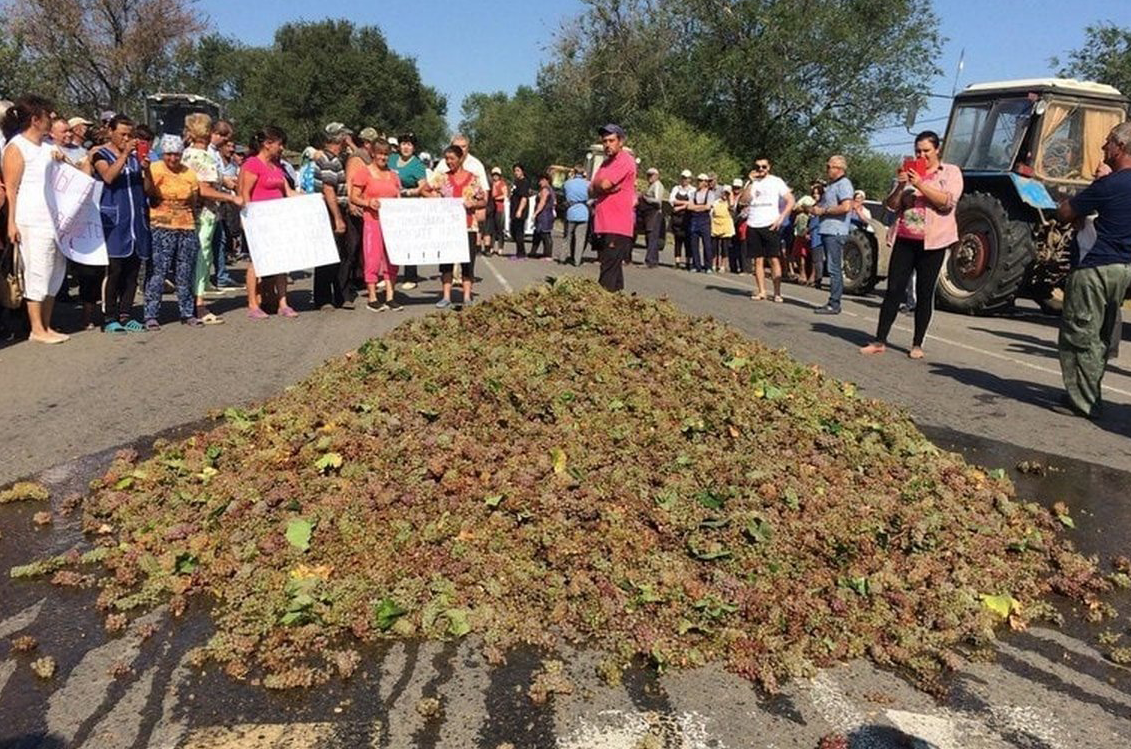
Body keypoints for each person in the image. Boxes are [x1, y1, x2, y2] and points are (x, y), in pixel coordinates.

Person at [860, 131, 963, 360]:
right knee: (893, 289)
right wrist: (900, 186)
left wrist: (921, 185)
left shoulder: (950, 173)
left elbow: (947, 202)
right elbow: (891, 206)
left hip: (933, 242)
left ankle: (917, 344)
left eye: (926, 151)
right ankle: (879, 340)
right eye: (918, 151)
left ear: (937, 150)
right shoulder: (908, 172)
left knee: (925, 293)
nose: (921, 155)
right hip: (905, 238)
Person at [1052, 121, 1131, 418]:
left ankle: (1083, 402)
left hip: (1094, 267)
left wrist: (1069, 201)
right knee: (1100, 335)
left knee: (1079, 332)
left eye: (1108, 142)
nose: (1103, 147)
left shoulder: (1108, 185)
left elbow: (1065, 213)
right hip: (1124, 269)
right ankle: (1090, 391)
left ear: (1120, 147)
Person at [2, 95, 71, 343]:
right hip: (30, 218)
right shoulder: (16, 146)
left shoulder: (49, 148)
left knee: (55, 271)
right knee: (37, 270)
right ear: (35, 119)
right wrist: (11, 222)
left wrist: (64, 159)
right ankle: (36, 328)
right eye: (47, 117)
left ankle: (47, 324)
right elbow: (11, 188)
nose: (51, 121)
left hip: (54, 219)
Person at [91, 114, 152, 332]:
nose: (127, 139)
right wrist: (125, 154)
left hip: (136, 222)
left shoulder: (136, 158)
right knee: (114, 270)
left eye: (130, 135)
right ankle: (109, 317)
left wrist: (146, 169)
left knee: (133, 271)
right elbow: (108, 176)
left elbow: (147, 189)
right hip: (114, 221)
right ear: (111, 132)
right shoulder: (100, 154)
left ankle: (126, 314)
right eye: (122, 134)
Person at [182, 113, 239, 323]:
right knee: (202, 256)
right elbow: (204, 189)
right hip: (204, 214)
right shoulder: (202, 156)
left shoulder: (186, 153)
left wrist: (224, 181)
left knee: (194, 255)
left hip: (193, 213)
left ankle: (191, 301)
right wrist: (230, 197)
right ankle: (199, 306)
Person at [143, 135, 203, 329]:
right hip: (161, 226)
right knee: (158, 272)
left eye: (177, 155)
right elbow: (149, 192)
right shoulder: (155, 169)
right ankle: (151, 314)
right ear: (163, 154)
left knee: (185, 271)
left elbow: (194, 200)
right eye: (169, 154)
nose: (173, 159)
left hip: (186, 225)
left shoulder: (189, 174)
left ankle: (187, 312)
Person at [239, 126, 298, 319]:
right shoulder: (252, 164)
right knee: (256, 262)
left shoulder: (277, 167)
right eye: (280, 144)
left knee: (281, 262)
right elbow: (245, 194)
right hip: (259, 220)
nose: (282, 148)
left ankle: (283, 303)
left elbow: (289, 192)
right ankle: (253, 304)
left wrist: (313, 199)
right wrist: (248, 219)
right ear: (268, 144)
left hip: (278, 220)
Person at [422, 144, 486, 307]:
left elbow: (484, 199)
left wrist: (474, 203)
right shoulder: (442, 177)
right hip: (447, 227)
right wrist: (435, 199)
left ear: (460, 158)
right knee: (447, 263)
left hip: (468, 225)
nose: (449, 162)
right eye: (447, 159)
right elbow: (424, 189)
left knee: (467, 262)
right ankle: (446, 296)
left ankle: (466, 296)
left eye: (452, 159)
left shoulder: (473, 178)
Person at [349, 138, 403, 312]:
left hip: (392, 223)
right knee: (372, 257)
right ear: (373, 153)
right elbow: (354, 196)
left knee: (392, 259)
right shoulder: (364, 172)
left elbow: (398, 197)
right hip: (373, 221)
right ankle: (372, 296)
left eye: (386, 154)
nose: (383, 157)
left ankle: (390, 296)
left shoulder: (393, 175)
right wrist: (368, 202)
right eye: (380, 153)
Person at [588, 123, 637, 292]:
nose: (607, 144)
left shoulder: (625, 161)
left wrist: (601, 185)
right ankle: (618, 306)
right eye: (604, 141)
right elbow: (592, 188)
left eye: (611, 140)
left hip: (617, 225)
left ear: (621, 141)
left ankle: (602, 307)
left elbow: (605, 183)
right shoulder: (605, 163)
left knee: (607, 273)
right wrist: (600, 186)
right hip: (603, 223)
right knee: (613, 271)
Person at [313, 122, 351, 309]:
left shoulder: (331, 158)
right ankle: (324, 298)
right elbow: (329, 189)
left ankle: (336, 295)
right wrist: (337, 217)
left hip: (332, 209)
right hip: (329, 211)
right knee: (329, 255)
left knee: (336, 254)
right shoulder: (329, 161)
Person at [745, 157, 795, 302]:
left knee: (773, 258)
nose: (760, 169)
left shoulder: (776, 181)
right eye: (758, 167)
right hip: (753, 222)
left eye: (764, 167)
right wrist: (749, 182)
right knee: (758, 260)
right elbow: (744, 199)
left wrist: (781, 218)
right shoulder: (753, 183)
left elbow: (790, 200)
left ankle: (777, 292)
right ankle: (762, 291)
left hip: (770, 223)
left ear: (769, 167)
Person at [810, 155, 854, 314]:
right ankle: (832, 301)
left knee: (834, 267)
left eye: (829, 167)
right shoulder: (833, 185)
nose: (826, 169)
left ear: (839, 169)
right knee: (831, 266)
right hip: (827, 229)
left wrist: (824, 211)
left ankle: (834, 303)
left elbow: (846, 206)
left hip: (835, 230)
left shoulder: (844, 184)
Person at [388, 131, 428, 289]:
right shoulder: (391, 159)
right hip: (391, 204)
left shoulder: (417, 165)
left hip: (409, 205)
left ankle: (410, 275)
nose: (406, 147)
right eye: (403, 143)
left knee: (409, 241)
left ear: (414, 147)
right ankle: (389, 273)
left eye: (409, 144)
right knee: (391, 239)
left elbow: (423, 186)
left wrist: (408, 192)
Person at [685, 174, 713, 273]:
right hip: (695, 220)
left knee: (707, 244)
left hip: (705, 220)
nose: (699, 182)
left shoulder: (710, 193)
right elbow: (689, 207)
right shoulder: (693, 193)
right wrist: (700, 207)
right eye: (698, 180)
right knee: (694, 243)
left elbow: (708, 207)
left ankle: (708, 266)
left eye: (701, 180)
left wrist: (696, 207)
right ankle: (696, 265)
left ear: (705, 182)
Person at [562, 165, 590, 265]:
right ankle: (577, 260)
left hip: (571, 211)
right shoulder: (588, 184)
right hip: (583, 212)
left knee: (567, 236)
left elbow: (564, 195)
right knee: (580, 238)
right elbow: (591, 197)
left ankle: (563, 258)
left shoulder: (567, 183)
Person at [640, 167, 665, 268]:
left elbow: (658, 200)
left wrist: (646, 198)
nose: (649, 177)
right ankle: (653, 260)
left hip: (655, 213)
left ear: (656, 176)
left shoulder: (657, 185)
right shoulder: (651, 185)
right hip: (649, 214)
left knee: (652, 237)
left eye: (651, 175)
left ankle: (650, 260)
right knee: (650, 236)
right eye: (648, 175)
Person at [669, 170, 692, 267]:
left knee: (687, 240)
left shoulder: (692, 190)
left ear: (690, 179)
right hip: (676, 218)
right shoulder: (676, 188)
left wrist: (679, 206)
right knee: (677, 239)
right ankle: (677, 261)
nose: (684, 180)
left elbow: (690, 203)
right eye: (683, 178)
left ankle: (688, 262)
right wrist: (684, 203)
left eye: (686, 178)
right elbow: (671, 200)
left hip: (686, 217)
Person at [531, 172, 555, 259]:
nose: (539, 182)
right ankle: (533, 251)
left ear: (546, 180)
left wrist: (535, 213)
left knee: (545, 233)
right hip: (546, 214)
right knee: (537, 233)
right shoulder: (550, 189)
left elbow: (542, 202)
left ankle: (548, 254)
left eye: (541, 180)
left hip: (544, 214)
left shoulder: (545, 190)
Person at [710, 187, 735, 273]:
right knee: (714, 246)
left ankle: (723, 265)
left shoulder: (730, 203)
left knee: (724, 247)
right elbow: (712, 212)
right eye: (724, 193)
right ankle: (713, 264)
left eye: (727, 193)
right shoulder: (716, 202)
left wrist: (730, 197)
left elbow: (732, 208)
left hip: (726, 225)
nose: (725, 195)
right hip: (716, 224)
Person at [509, 163, 531, 259]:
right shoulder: (516, 182)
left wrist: (519, 210)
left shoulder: (524, 182)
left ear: (522, 171)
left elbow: (524, 198)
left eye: (518, 170)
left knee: (519, 232)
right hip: (513, 209)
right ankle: (519, 252)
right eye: (515, 171)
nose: (516, 173)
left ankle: (521, 254)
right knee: (513, 231)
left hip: (520, 210)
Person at [489, 166, 509, 253]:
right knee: (492, 228)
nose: (495, 176)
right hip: (491, 208)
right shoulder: (491, 184)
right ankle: (491, 247)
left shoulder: (502, 184)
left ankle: (500, 247)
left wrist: (495, 198)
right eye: (493, 175)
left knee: (499, 228)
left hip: (499, 208)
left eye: (496, 175)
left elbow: (505, 195)